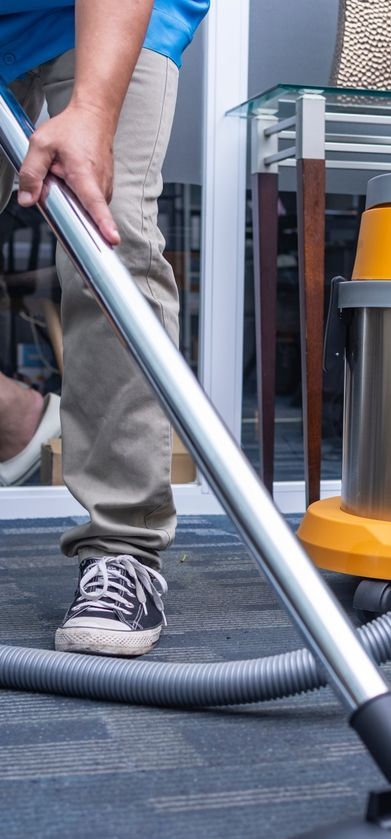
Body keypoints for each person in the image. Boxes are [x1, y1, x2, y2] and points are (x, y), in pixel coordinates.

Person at [0, 0, 209, 655]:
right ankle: (14, 414)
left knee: (105, 241)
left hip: (99, 15)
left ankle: (123, 548)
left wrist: (92, 109)